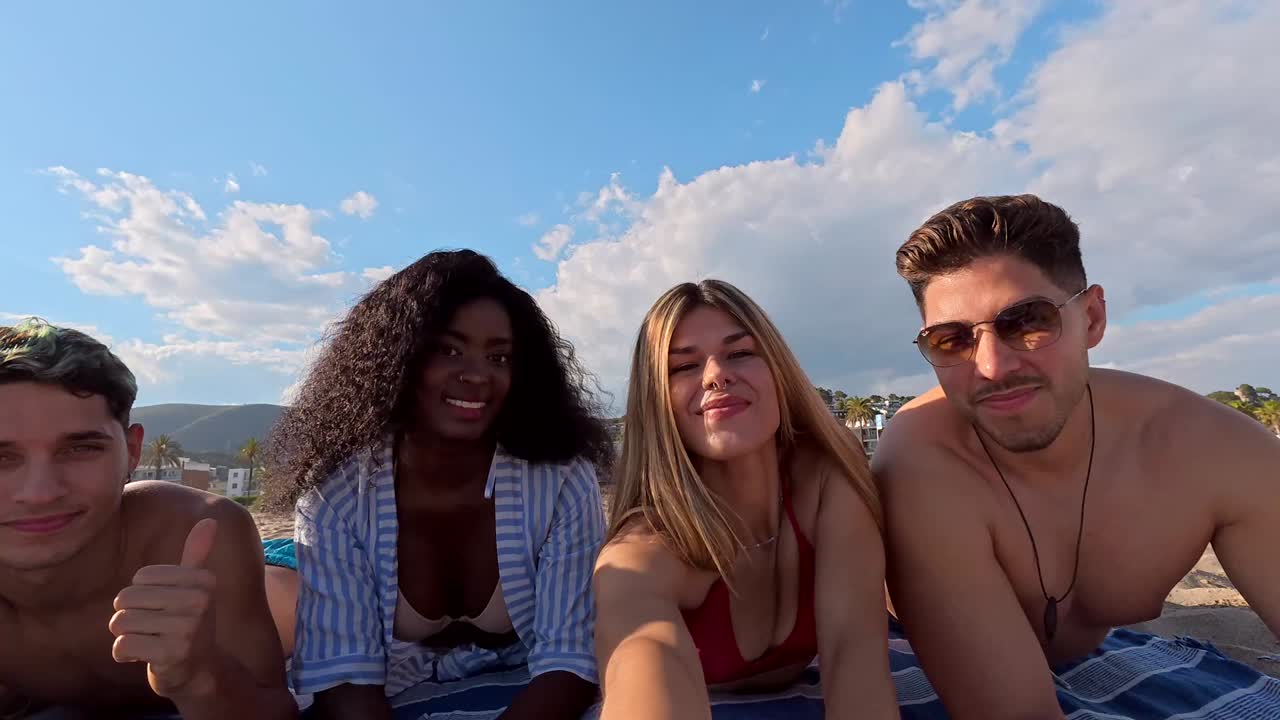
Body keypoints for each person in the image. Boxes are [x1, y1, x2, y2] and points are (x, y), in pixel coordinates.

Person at [876, 194, 1280, 719]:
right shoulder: (921, 459)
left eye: (1026, 321)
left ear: (1091, 318)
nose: (992, 367)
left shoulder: (1218, 453)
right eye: (952, 340)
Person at [264, 249, 614, 720]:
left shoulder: (558, 479)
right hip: (304, 561)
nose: (476, 374)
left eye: (499, 356)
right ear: (396, 358)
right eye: (448, 349)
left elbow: (570, 662)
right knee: (264, 618)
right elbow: (343, 676)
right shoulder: (340, 493)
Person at [593, 280, 898, 720]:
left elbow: (856, 655)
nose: (716, 374)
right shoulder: (644, 551)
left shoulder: (827, 476)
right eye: (683, 367)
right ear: (655, 402)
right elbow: (641, 652)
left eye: (740, 353)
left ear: (778, 370)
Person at [0, 319, 296, 719]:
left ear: (132, 450)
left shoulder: (192, 535)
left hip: (281, 574)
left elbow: (275, 711)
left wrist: (201, 675)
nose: (39, 493)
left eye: (80, 449)